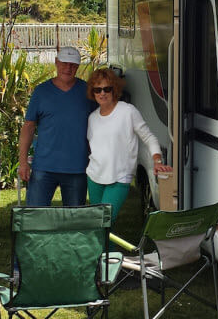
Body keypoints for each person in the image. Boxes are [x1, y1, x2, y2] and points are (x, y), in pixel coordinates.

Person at [85, 68, 170, 221]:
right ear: (93, 92)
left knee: (104, 222)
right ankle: (104, 247)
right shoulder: (92, 118)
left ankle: (104, 246)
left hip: (119, 178)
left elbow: (149, 138)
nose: (102, 93)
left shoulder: (128, 111)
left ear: (114, 89)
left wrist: (157, 161)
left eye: (107, 88)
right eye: (97, 89)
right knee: (96, 226)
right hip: (94, 177)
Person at [18, 46, 95, 206]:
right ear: (56, 62)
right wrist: (23, 162)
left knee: (74, 222)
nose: (68, 68)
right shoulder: (41, 92)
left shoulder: (88, 92)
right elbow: (28, 127)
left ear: (78, 66)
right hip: (44, 167)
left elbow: (101, 124)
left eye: (73, 65)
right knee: (36, 217)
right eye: (64, 63)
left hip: (77, 167)